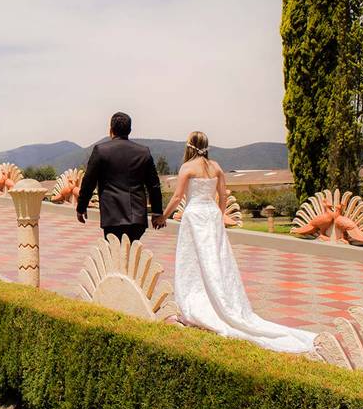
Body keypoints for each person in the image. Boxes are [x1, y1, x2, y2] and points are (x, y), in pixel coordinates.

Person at [153, 131, 315, 353]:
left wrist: (164, 215)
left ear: (189, 146)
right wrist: (218, 215)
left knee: (193, 261)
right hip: (210, 215)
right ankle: (221, 300)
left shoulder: (187, 168)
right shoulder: (216, 167)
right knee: (216, 259)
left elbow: (177, 197)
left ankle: (197, 305)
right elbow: (223, 195)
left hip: (194, 216)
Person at [76, 112, 164, 242]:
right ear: (129, 130)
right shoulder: (143, 152)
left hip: (112, 217)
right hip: (137, 217)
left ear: (111, 130)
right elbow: (154, 185)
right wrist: (157, 212)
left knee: (116, 256)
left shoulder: (101, 151)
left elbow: (89, 182)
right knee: (132, 255)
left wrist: (81, 207)